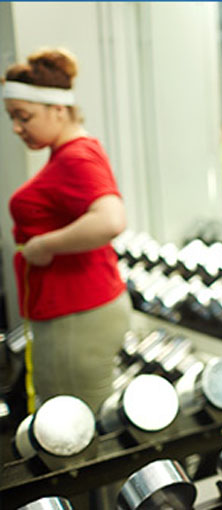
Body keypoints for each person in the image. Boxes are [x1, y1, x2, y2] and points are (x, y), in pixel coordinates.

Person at [3, 48, 131, 413]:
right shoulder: (70, 153)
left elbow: (110, 219)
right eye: (12, 117)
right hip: (74, 309)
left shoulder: (77, 156)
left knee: (73, 431)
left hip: (77, 313)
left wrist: (43, 245)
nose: (16, 128)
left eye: (23, 117)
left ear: (58, 110)